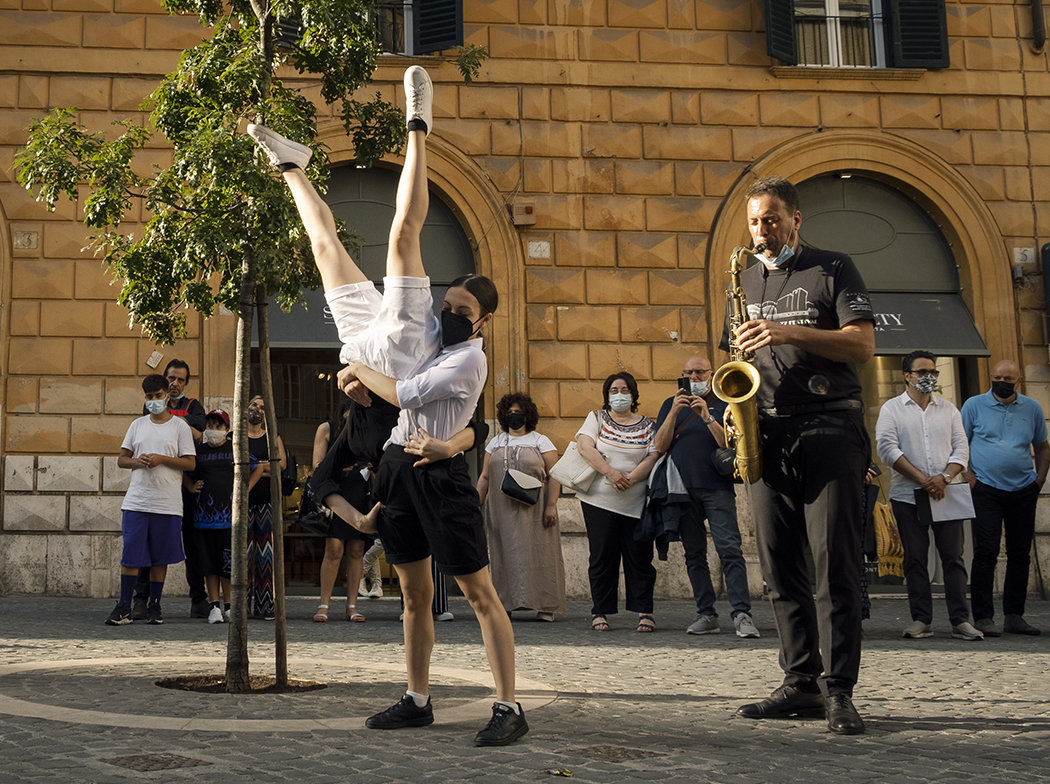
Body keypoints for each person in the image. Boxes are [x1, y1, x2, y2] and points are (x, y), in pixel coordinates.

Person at [252, 67, 527, 746]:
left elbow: (404, 396)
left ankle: (509, 705)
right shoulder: (432, 324)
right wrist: (355, 373)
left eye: (464, 310)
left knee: (404, 232)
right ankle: (293, 167)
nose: (455, 313)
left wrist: (352, 374)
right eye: (452, 304)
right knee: (324, 248)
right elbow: (394, 403)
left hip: (424, 440)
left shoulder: (468, 357)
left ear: (483, 322)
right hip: (395, 384)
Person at [725, 177, 875, 735]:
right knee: (779, 566)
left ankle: (839, 690)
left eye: (771, 219)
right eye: (755, 222)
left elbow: (862, 345)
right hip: (765, 432)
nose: (762, 231)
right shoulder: (742, 279)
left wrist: (786, 331)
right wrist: (729, 410)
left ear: (796, 218)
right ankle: (799, 683)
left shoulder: (833, 268)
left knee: (833, 564)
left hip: (830, 426)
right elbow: (734, 360)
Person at [875, 351, 982, 641]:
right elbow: (888, 449)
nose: (929, 378)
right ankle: (921, 619)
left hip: (947, 493)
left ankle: (960, 620)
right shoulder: (891, 409)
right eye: (922, 372)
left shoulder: (948, 409)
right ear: (907, 375)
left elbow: (962, 447)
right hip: (908, 495)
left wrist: (944, 477)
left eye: (933, 372)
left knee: (953, 558)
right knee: (915, 559)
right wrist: (924, 479)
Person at [652, 355, 759, 638]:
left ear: (711, 374)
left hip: (717, 487)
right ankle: (706, 614)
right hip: (681, 490)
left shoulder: (726, 402)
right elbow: (660, 446)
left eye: (700, 372)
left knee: (730, 550)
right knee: (694, 553)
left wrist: (708, 417)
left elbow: (731, 444)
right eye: (689, 373)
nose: (695, 378)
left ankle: (741, 613)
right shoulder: (669, 405)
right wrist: (674, 413)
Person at [962, 359, 1050, 637]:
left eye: (1008, 379)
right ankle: (984, 617)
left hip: (1024, 488)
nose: (1002, 382)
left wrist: (1039, 480)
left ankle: (1014, 615)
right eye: (997, 377)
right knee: (986, 552)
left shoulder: (1032, 408)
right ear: (991, 377)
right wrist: (969, 476)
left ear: (1018, 381)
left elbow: (1042, 446)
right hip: (985, 488)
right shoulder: (973, 405)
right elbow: (958, 443)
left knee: (1019, 554)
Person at [106, 374, 196, 625]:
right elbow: (122, 459)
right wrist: (138, 461)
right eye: (149, 397)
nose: (154, 401)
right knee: (131, 555)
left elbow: (190, 462)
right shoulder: (137, 425)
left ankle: (155, 606)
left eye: (158, 396)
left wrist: (162, 459)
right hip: (137, 501)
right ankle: (123, 606)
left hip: (167, 502)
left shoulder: (180, 427)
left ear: (168, 395)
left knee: (160, 557)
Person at [575, 372, 659, 633]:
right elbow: (584, 446)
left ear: (634, 395)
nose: (619, 395)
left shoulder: (649, 425)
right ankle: (600, 611)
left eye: (624, 390)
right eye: (613, 391)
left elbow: (654, 454)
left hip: (637, 500)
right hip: (599, 500)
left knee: (640, 557)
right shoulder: (596, 418)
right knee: (601, 557)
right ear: (606, 395)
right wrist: (611, 473)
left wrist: (631, 479)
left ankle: (645, 611)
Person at [131, 358, 210, 621]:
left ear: (186, 383)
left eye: (180, 380)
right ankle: (141, 601)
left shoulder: (194, 405)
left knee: (193, 543)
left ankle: (198, 599)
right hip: (158, 485)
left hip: (188, 486)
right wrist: (183, 424)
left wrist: (174, 421)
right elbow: (155, 423)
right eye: (171, 379)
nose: (175, 383)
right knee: (147, 545)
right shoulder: (152, 404)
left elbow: (201, 429)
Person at [477, 393, 565, 621]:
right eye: (509, 413)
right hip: (501, 510)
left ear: (528, 415)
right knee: (503, 554)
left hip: (535, 509)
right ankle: (504, 603)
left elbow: (555, 475)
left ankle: (545, 605)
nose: (514, 417)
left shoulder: (541, 441)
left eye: (518, 413)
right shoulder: (495, 442)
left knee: (540, 552)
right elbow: (485, 477)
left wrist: (551, 506)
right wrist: (474, 503)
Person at [185, 409, 264, 624]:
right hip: (203, 519)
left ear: (227, 430)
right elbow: (185, 471)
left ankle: (229, 606)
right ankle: (214, 606)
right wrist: (191, 486)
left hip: (230, 519)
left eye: (218, 426)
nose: (214, 430)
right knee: (208, 565)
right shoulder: (199, 452)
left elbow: (257, 467)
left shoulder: (235, 450)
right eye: (210, 425)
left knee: (226, 565)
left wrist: (245, 489)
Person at [311, 400, 372, 623]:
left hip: (359, 493)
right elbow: (318, 466)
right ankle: (324, 604)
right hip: (335, 494)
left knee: (356, 550)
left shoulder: (365, 430)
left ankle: (352, 606)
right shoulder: (327, 428)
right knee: (334, 548)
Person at [245, 394, 287, 620]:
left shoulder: (272, 437)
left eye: (262, 407)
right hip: (243, 504)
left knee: (265, 556)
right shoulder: (237, 436)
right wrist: (264, 467)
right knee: (244, 556)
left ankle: (265, 604)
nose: (257, 410)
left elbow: (279, 465)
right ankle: (242, 605)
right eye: (253, 405)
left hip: (266, 504)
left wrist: (254, 466)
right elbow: (236, 467)